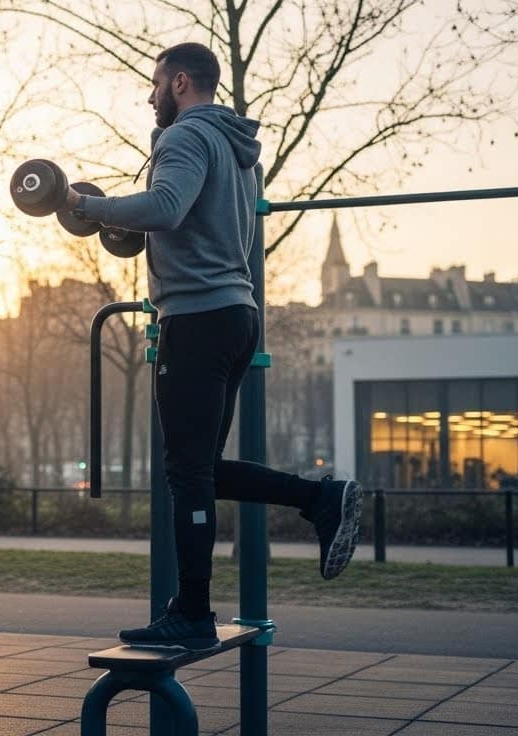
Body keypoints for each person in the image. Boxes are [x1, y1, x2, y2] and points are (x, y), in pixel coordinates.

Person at [62, 43, 363, 650]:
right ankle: (317, 497)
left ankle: (193, 609)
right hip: (237, 315)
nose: (149, 99)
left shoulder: (183, 139)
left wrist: (83, 205)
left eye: (153, 86)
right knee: (199, 468)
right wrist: (125, 227)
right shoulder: (235, 147)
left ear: (178, 83)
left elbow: (167, 207)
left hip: (196, 320)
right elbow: (190, 220)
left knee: (185, 470)